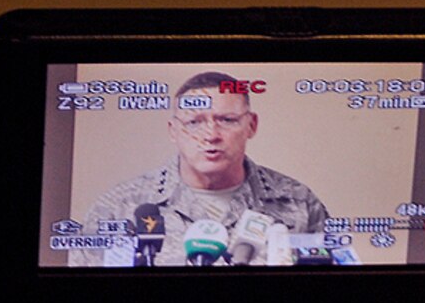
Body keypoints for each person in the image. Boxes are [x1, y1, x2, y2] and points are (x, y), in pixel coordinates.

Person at [72, 71, 328, 265]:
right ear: (173, 131)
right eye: (194, 122)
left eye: (226, 120)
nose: (210, 136)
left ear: (251, 125)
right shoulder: (121, 207)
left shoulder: (299, 201)